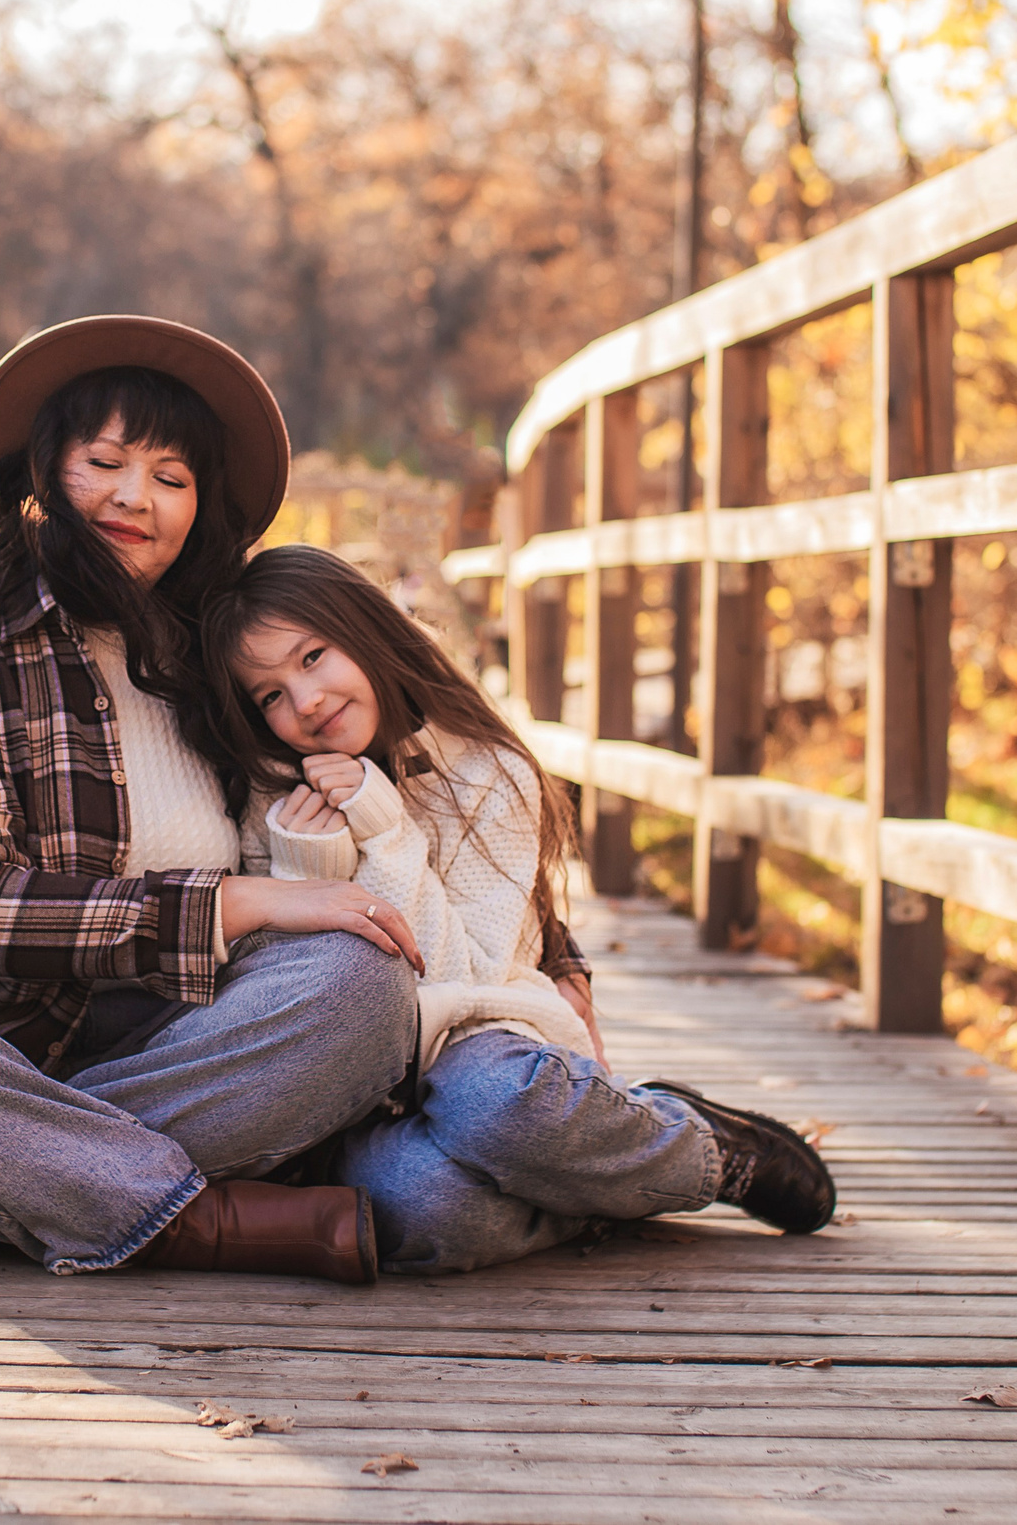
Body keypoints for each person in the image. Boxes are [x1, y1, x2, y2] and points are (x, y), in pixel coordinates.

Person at [0, 316, 428, 1283]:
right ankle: (203, 1217)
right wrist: (241, 900)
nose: (133, 497)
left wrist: (560, 958)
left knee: (362, 987)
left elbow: (417, 744)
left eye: (171, 478)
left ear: (201, 506)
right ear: (42, 470)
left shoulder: (223, 652)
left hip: (187, 1045)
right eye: (104, 462)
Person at [197, 543, 836, 1273]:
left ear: (366, 629)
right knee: (423, 1205)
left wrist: (386, 832)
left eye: (313, 657)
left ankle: (708, 1152)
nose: (305, 700)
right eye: (271, 695)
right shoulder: (274, 802)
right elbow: (286, 1001)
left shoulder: (485, 772)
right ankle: (594, 1166)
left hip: (482, 1043)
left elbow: (462, 973)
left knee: (496, 1104)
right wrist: (307, 872)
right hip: (358, 1098)